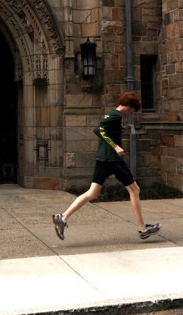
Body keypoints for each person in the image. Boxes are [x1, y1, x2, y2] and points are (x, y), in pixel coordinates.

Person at [53, 91, 160, 241]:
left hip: (102, 159)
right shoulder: (115, 115)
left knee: (92, 193)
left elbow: (104, 130)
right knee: (135, 189)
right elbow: (99, 129)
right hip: (113, 160)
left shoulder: (114, 116)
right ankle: (142, 228)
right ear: (128, 106)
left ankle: (62, 217)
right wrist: (116, 146)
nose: (131, 113)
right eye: (132, 110)